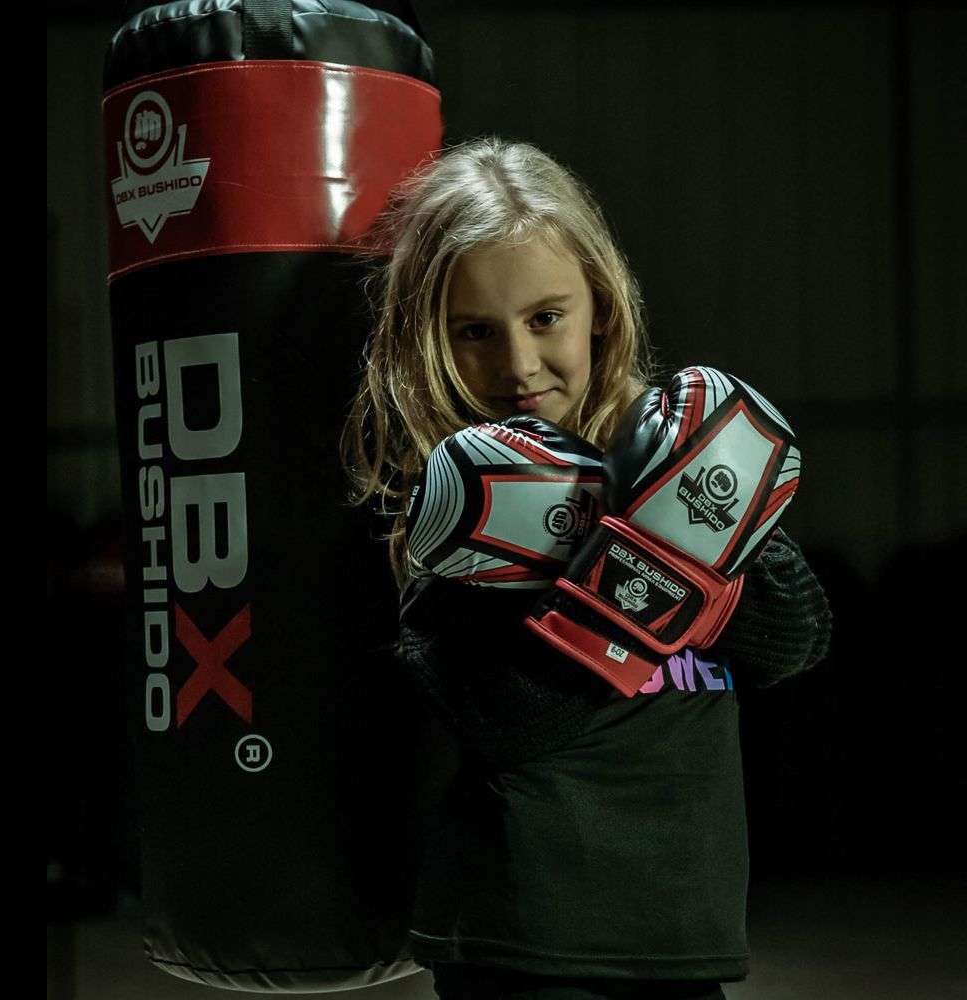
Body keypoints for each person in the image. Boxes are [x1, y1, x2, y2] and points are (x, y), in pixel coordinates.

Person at [341, 136, 832, 1000]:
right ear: (430, 339)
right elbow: (506, 723)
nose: (518, 365)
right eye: (475, 332)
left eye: (546, 318)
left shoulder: (675, 452)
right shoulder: (460, 511)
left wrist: (673, 527)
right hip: (527, 940)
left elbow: (795, 642)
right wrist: (641, 562)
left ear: (600, 304)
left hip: (684, 926)